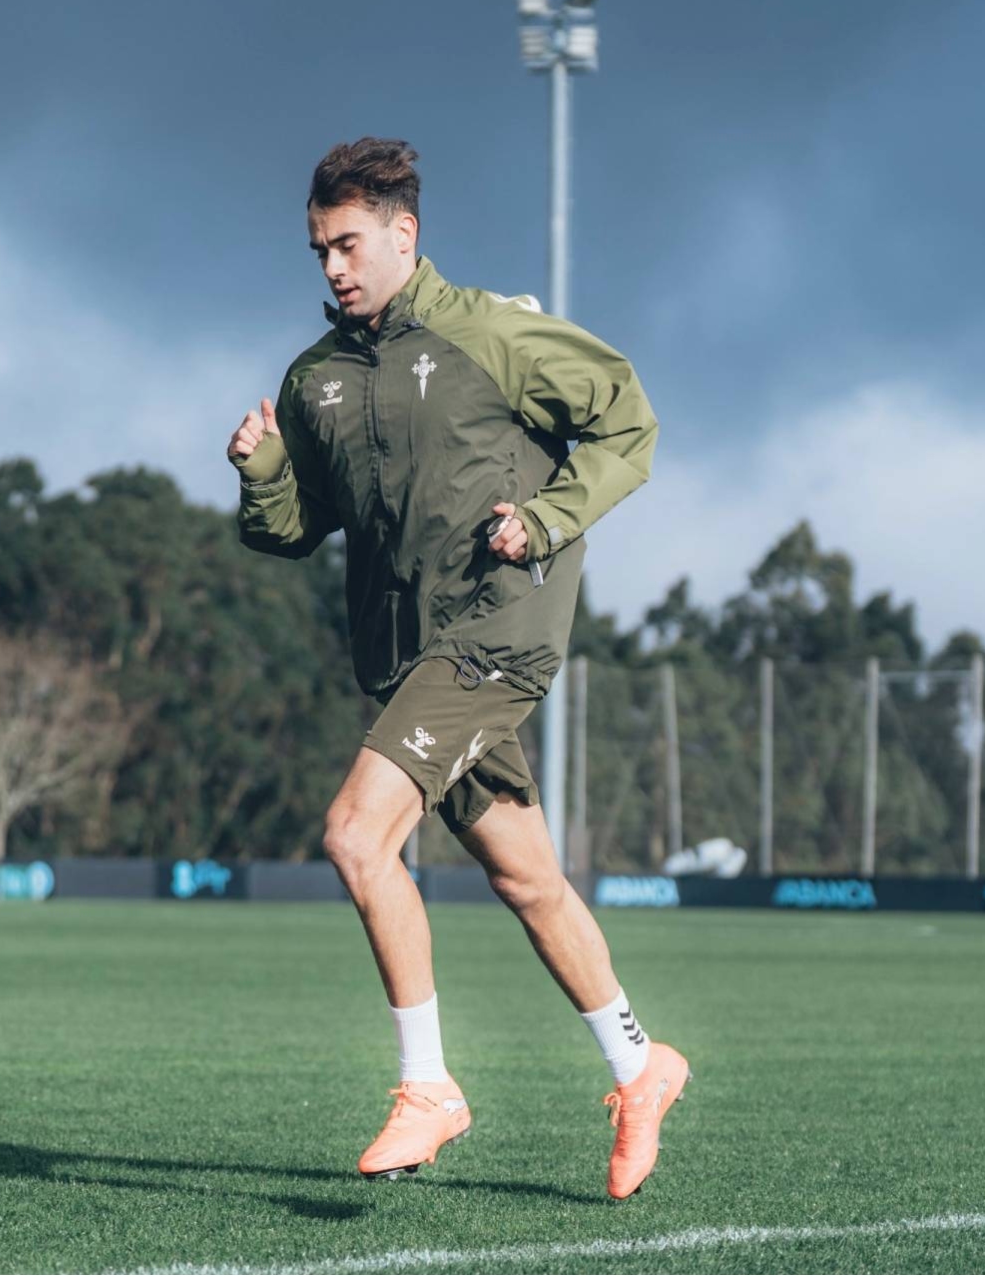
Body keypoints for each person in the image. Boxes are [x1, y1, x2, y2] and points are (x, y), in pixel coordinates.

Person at [225, 137, 687, 1200]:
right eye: (318, 251)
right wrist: (260, 473)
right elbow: (296, 528)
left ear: (403, 235)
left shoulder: (494, 333)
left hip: (496, 632)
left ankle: (427, 1085)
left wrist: (549, 515)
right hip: (404, 661)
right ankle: (640, 1063)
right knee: (527, 878)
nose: (333, 267)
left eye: (348, 245)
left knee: (354, 835)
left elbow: (629, 421)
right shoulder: (316, 382)